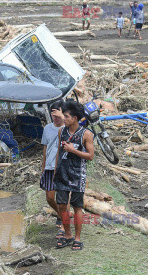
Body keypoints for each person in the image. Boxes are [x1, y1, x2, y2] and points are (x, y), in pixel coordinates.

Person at [54, 100, 94, 251]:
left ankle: (77, 238)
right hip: (62, 174)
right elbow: (59, 152)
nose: (63, 118)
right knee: (62, 205)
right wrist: (55, 171)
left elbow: (90, 156)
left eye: (66, 116)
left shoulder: (86, 134)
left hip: (78, 175)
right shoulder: (61, 132)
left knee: (77, 206)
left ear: (75, 118)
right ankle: (68, 234)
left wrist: (73, 150)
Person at [40, 100, 66, 239]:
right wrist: (43, 165)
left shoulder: (68, 128)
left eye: (58, 115)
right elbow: (45, 147)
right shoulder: (48, 128)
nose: (55, 118)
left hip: (63, 168)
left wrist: (63, 118)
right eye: (53, 115)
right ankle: (62, 216)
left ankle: (64, 226)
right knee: (50, 198)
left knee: (63, 199)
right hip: (49, 167)